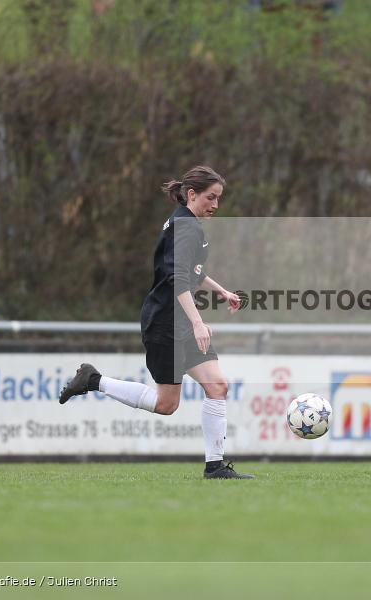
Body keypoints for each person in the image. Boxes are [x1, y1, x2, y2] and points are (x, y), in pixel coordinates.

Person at [59, 165, 253, 479]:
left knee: (217, 386)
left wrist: (221, 291)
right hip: (164, 323)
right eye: (210, 197)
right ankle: (93, 380)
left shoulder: (186, 222)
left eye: (219, 198)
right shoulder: (184, 226)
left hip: (179, 322)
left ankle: (215, 466)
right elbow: (177, 279)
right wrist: (199, 323)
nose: (216, 205)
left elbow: (191, 271)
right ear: (192, 194)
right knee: (166, 405)